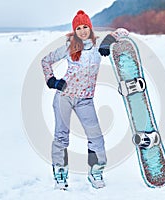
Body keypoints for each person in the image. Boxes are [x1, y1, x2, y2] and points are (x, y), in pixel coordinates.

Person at [41, 10, 129, 190]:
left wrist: (110, 40)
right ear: (74, 31)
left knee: (96, 137)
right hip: (64, 97)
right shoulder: (69, 47)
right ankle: (60, 175)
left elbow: (124, 32)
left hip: (85, 100)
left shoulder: (98, 48)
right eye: (78, 28)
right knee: (61, 137)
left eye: (85, 27)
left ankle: (96, 171)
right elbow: (45, 61)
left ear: (90, 28)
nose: (82, 31)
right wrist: (52, 80)